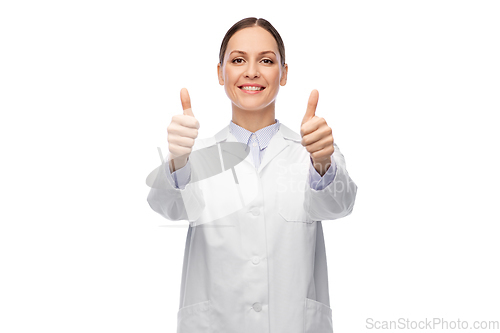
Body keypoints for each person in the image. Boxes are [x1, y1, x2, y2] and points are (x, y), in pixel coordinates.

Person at [146, 17, 357, 333]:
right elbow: (167, 206)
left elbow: (339, 205)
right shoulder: (195, 155)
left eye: (267, 61)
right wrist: (177, 160)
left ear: (283, 73)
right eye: (238, 60)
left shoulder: (313, 150)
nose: (252, 72)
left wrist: (323, 162)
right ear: (221, 72)